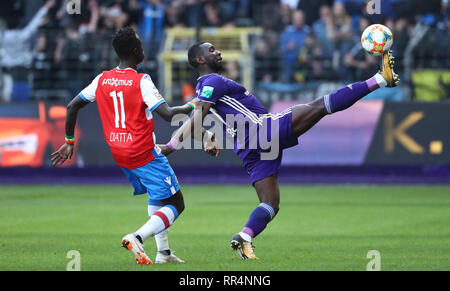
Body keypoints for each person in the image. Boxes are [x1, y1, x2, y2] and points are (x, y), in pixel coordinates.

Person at [160, 42, 399, 260]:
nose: (218, 52)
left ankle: (244, 237)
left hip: (249, 148)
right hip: (261, 130)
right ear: (200, 60)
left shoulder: (206, 89)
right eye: (211, 50)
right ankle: (380, 78)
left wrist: (207, 136)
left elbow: (191, 114)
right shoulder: (212, 81)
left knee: (270, 203)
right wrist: (172, 146)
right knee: (320, 105)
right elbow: (197, 115)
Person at [50, 27, 205, 265]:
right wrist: (193, 105)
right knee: (176, 203)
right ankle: (137, 237)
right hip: (144, 153)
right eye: (141, 46)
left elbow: (72, 107)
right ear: (135, 51)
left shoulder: (102, 79)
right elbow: (167, 114)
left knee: (157, 196)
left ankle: (163, 254)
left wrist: (69, 141)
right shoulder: (141, 80)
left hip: (120, 153)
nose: (143, 49)